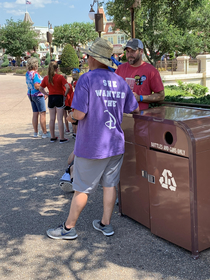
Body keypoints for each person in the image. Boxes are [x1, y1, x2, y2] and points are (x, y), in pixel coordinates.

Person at [46, 37, 139, 240]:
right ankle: (106, 224)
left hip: (92, 146)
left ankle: (68, 228)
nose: (86, 58)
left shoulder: (87, 79)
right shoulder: (119, 81)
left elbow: (79, 114)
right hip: (115, 144)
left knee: (81, 189)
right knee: (109, 185)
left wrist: (69, 116)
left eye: (88, 55)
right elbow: (134, 107)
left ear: (94, 58)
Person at [115, 38, 165, 110]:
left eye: (133, 51)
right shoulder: (119, 69)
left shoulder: (151, 71)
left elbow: (161, 96)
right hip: (122, 116)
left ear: (141, 51)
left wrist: (140, 98)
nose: (129, 54)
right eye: (128, 51)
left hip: (142, 117)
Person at [39, 61, 70, 143]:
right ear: (57, 69)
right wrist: (65, 95)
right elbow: (67, 87)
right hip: (59, 97)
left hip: (51, 97)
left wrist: (47, 94)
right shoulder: (60, 77)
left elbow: (41, 88)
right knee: (60, 119)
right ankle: (62, 138)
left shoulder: (46, 78)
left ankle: (52, 137)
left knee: (52, 119)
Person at [25, 57, 50, 138]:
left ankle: (35, 132)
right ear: (35, 65)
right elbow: (36, 86)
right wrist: (45, 92)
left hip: (30, 94)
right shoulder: (35, 74)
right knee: (42, 113)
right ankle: (44, 133)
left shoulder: (27, 73)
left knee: (35, 113)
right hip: (38, 95)